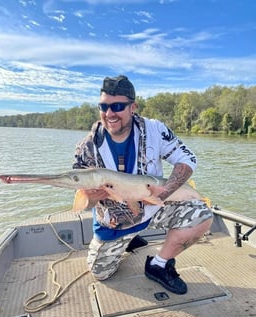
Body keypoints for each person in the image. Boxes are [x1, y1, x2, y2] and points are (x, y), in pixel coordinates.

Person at [73, 75, 213, 295]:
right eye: (104, 106)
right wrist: (94, 196)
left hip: (153, 208)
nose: (110, 114)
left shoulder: (155, 129)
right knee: (100, 273)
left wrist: (164, 192)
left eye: (118, 106)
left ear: (133, 107)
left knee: (202, 215)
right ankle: (127, 239)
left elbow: (187, 159)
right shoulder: (87, 148)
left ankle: (159, 264)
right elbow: (86, 203)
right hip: (115, 223)